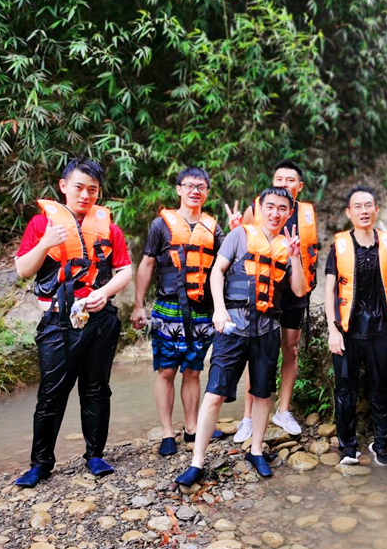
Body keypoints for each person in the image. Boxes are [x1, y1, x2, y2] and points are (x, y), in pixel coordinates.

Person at [13, 157, 133, 487]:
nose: (85, 195)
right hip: (57, 321)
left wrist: (105, 293)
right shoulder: (42, 225)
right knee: (51, 393)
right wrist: (46, 244)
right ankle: (40, 464)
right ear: (63, 186)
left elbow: (126, 270)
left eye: (92, 190)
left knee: (96, 389)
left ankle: (95, 455)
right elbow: (23, 269)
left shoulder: (110, 228)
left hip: (101, 319)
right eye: (79, 187)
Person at [175, 187, 306, 485]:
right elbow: (217, 272)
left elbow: (298, 290)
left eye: (282, 209)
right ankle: (197, 462)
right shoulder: (240, 235)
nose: (275, 213)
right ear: (259, 207)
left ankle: (257, 450)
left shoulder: (288, 246)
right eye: (270, 206)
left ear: (289, 212)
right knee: (215, 393)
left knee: (262, 392)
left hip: (267, 329)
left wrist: (296, 257)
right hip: (232, 326)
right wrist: (218, 311)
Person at [131, 167, 226, 456]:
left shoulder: (214, 228)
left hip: (201, 310)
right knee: (166, 371)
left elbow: (225, 266)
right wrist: (138, 305)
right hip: (167, 307)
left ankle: (192, 428)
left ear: (207, 192)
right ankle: (167, 433)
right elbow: (147, 265)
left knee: (194, 372)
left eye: (201, 187)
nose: (195, 191)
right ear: (179, 189)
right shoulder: (161, 225)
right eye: (189, 186)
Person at [233, 161, 319, 441]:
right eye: (279, 178)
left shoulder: (306, 213)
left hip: (294, 288)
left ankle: (282, 410)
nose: (284, 183)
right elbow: (240, 243)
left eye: (290, 179)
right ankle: (247, 417)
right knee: (254, 349)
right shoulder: (257, 207)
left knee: (290, 349)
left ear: (299, 186)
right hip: (262, 289)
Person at [325, 187, 387, 466]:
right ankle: (348, 447)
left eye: (368, 205)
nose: (363, 211)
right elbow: (329, 289)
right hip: (347, 329)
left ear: (376, 210)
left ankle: (380, 443)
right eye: (357, 206)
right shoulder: (339, 245)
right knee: (345, 391)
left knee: (380, 388)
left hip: (381, 328)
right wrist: (332, 330)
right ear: (349, 212)